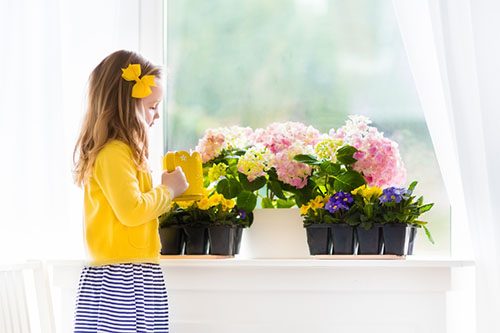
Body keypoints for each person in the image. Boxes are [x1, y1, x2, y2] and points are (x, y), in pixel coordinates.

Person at [72, 50, 189, 333]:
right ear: (127, 105)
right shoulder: (115, 152)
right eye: (151, 107)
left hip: (132, 273)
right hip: (121, 278)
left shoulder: (124, 153)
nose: (157, 114)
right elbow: (132, 211)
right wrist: (168, 190)